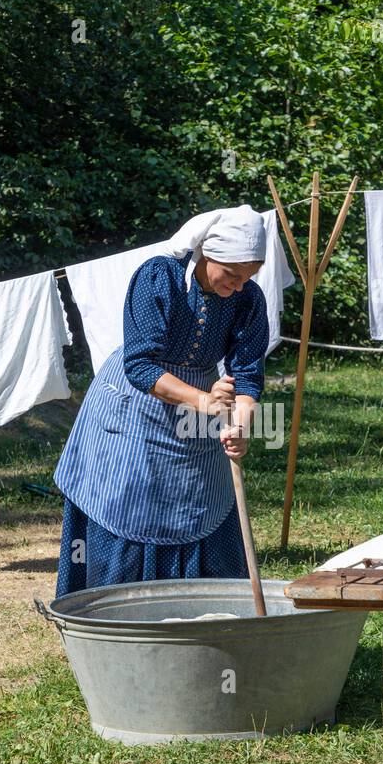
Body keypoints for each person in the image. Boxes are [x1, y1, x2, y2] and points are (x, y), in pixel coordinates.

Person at [54, 205, 269, 595]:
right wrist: (203, 401)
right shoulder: (159, 276)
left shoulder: (248, 300)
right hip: (132, 406)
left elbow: (249, 376)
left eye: (248, 277)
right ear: (207, 254)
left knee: (199, 499)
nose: (239, 286)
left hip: (201, 403)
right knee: (130, 500)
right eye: (232, 275)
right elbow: (140, 367)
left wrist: (240, 426)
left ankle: (202, 616)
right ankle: (117, 614)